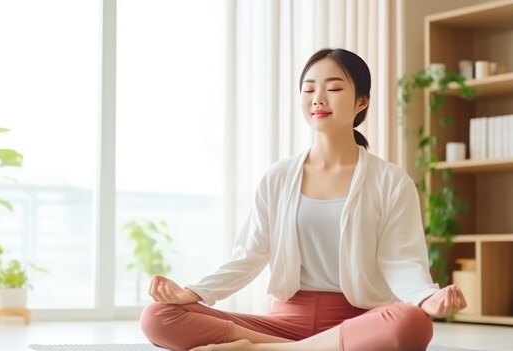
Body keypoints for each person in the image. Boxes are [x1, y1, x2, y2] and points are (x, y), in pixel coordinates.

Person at [139, 48, 467, 351]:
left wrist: (428, 298)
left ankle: (259, 349)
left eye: (334, 89)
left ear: (361, 102)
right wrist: (193, 293)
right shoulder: (277, 177)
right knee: (158, 316)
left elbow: (403, 263)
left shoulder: (391, 182)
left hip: (356, 323)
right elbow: (248, 257)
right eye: (309, 89)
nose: (318, 98)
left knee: (411, 323)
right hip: (281, 323)